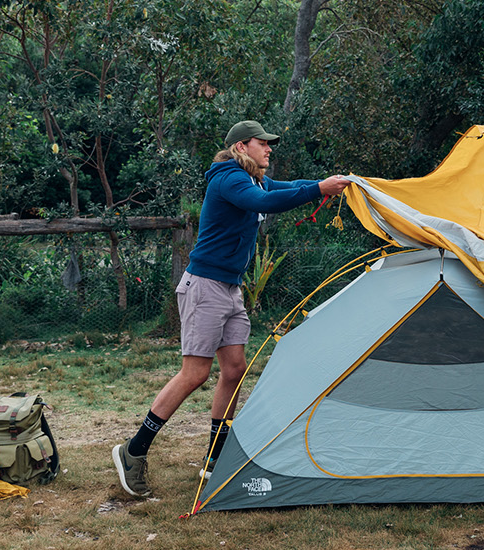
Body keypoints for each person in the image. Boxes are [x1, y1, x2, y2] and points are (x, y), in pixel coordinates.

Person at [112, 120, 351, 497]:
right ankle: (134, 450)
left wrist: (324, 184)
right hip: (205, 286)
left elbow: (280, 189)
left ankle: (216, 457)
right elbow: (264, 203)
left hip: (229, 288)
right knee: (194, 374)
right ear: (241, 147)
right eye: (263, 144)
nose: (269, 149)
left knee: (235, 369)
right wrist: (318, 189)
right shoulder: (227, 179)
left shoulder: (252, 178)